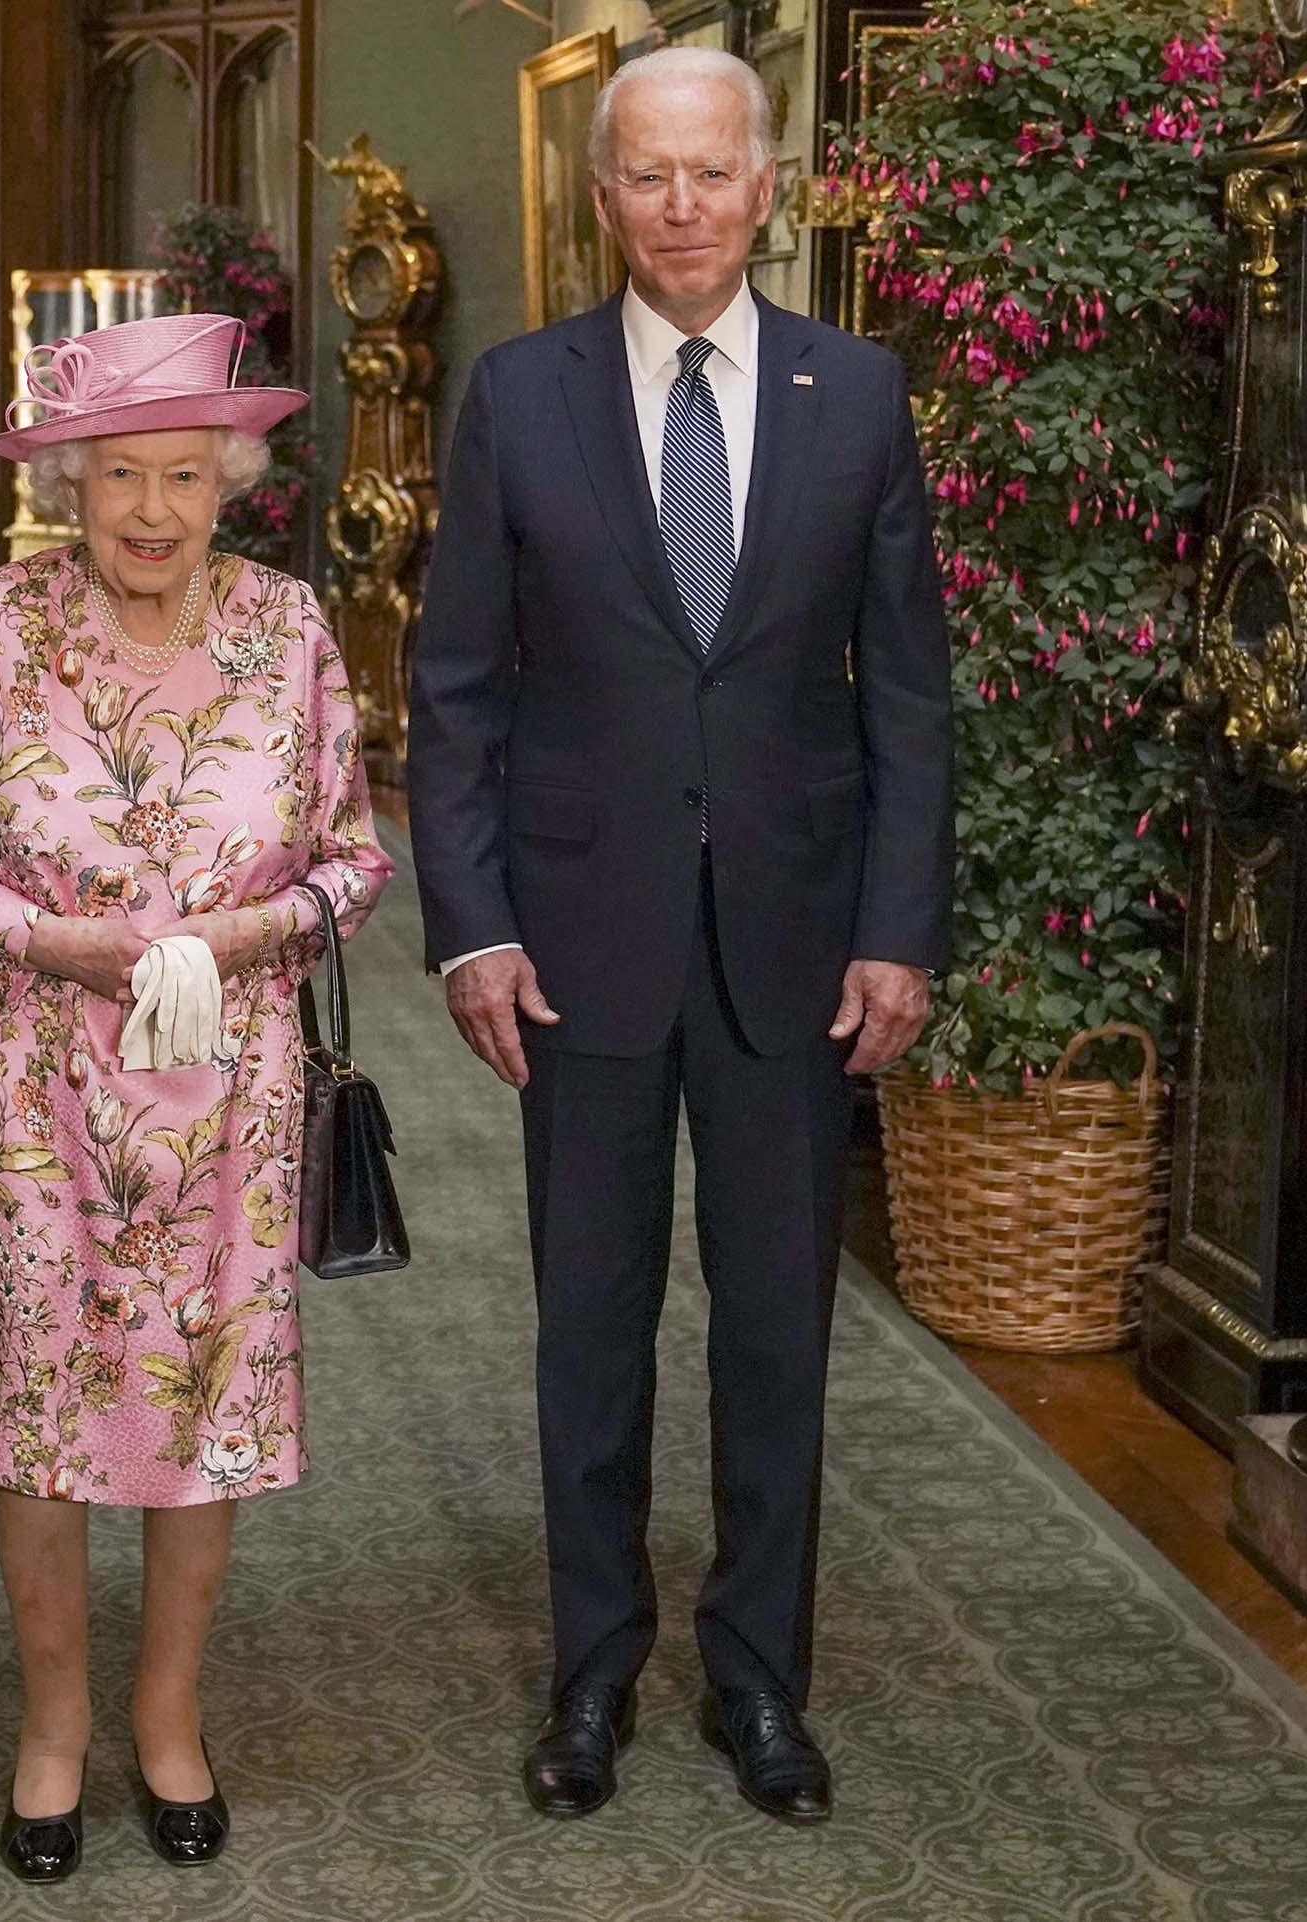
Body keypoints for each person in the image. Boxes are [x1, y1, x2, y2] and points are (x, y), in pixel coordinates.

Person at [408, 47, 952, 1827]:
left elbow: (912, 706)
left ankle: (760, 1683)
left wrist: (899, 929)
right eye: (648, 176)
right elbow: (458, 688)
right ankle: (590, 1678)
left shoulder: (860, 396)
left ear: (769, 184)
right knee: (593, 1329)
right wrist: (472, 928)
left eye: (714, 174)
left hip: (802, 950)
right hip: (579, 944)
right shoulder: (519, 394)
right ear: (601, 193)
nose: (684, 208)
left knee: (780, 1335)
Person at [0, 314, 394, 1882]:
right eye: (120, 478)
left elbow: (356, 859)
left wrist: (242, 935)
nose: (153, 509)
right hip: (38, 1089)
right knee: (46, 1411)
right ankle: (53, 1724)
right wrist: (55, 939)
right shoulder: (0, 622)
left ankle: (169, 1712)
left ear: (230, 478)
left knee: (200, 1404)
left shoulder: (290, 628)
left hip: (228, 1093)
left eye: (183, 473)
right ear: (72, 487)